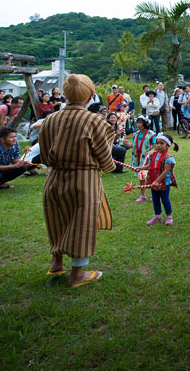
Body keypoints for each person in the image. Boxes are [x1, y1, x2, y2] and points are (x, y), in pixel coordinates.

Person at [40, 74, 115, 288]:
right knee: (82, 222)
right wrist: (109, 167)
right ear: (91, 95)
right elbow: (104, 153)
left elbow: (44, 155)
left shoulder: (50, 119)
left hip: (54, 177)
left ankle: (56, 263)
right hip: (84, 178)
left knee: (57, 218)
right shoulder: (93, 120)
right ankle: (77, 274)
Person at [137, 132, 178, 227]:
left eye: (161, 143)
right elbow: (150, 166)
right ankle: (157, 216)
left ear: (167, 145)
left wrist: (157, 181)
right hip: (154, 181)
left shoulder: (168, 158)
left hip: (163, 182)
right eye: (157, 143)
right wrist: (140, 168)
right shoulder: (153, 155)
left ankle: (168, 216)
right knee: (155, 199)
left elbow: (166, 171)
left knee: (164, 199)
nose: (158, 145)